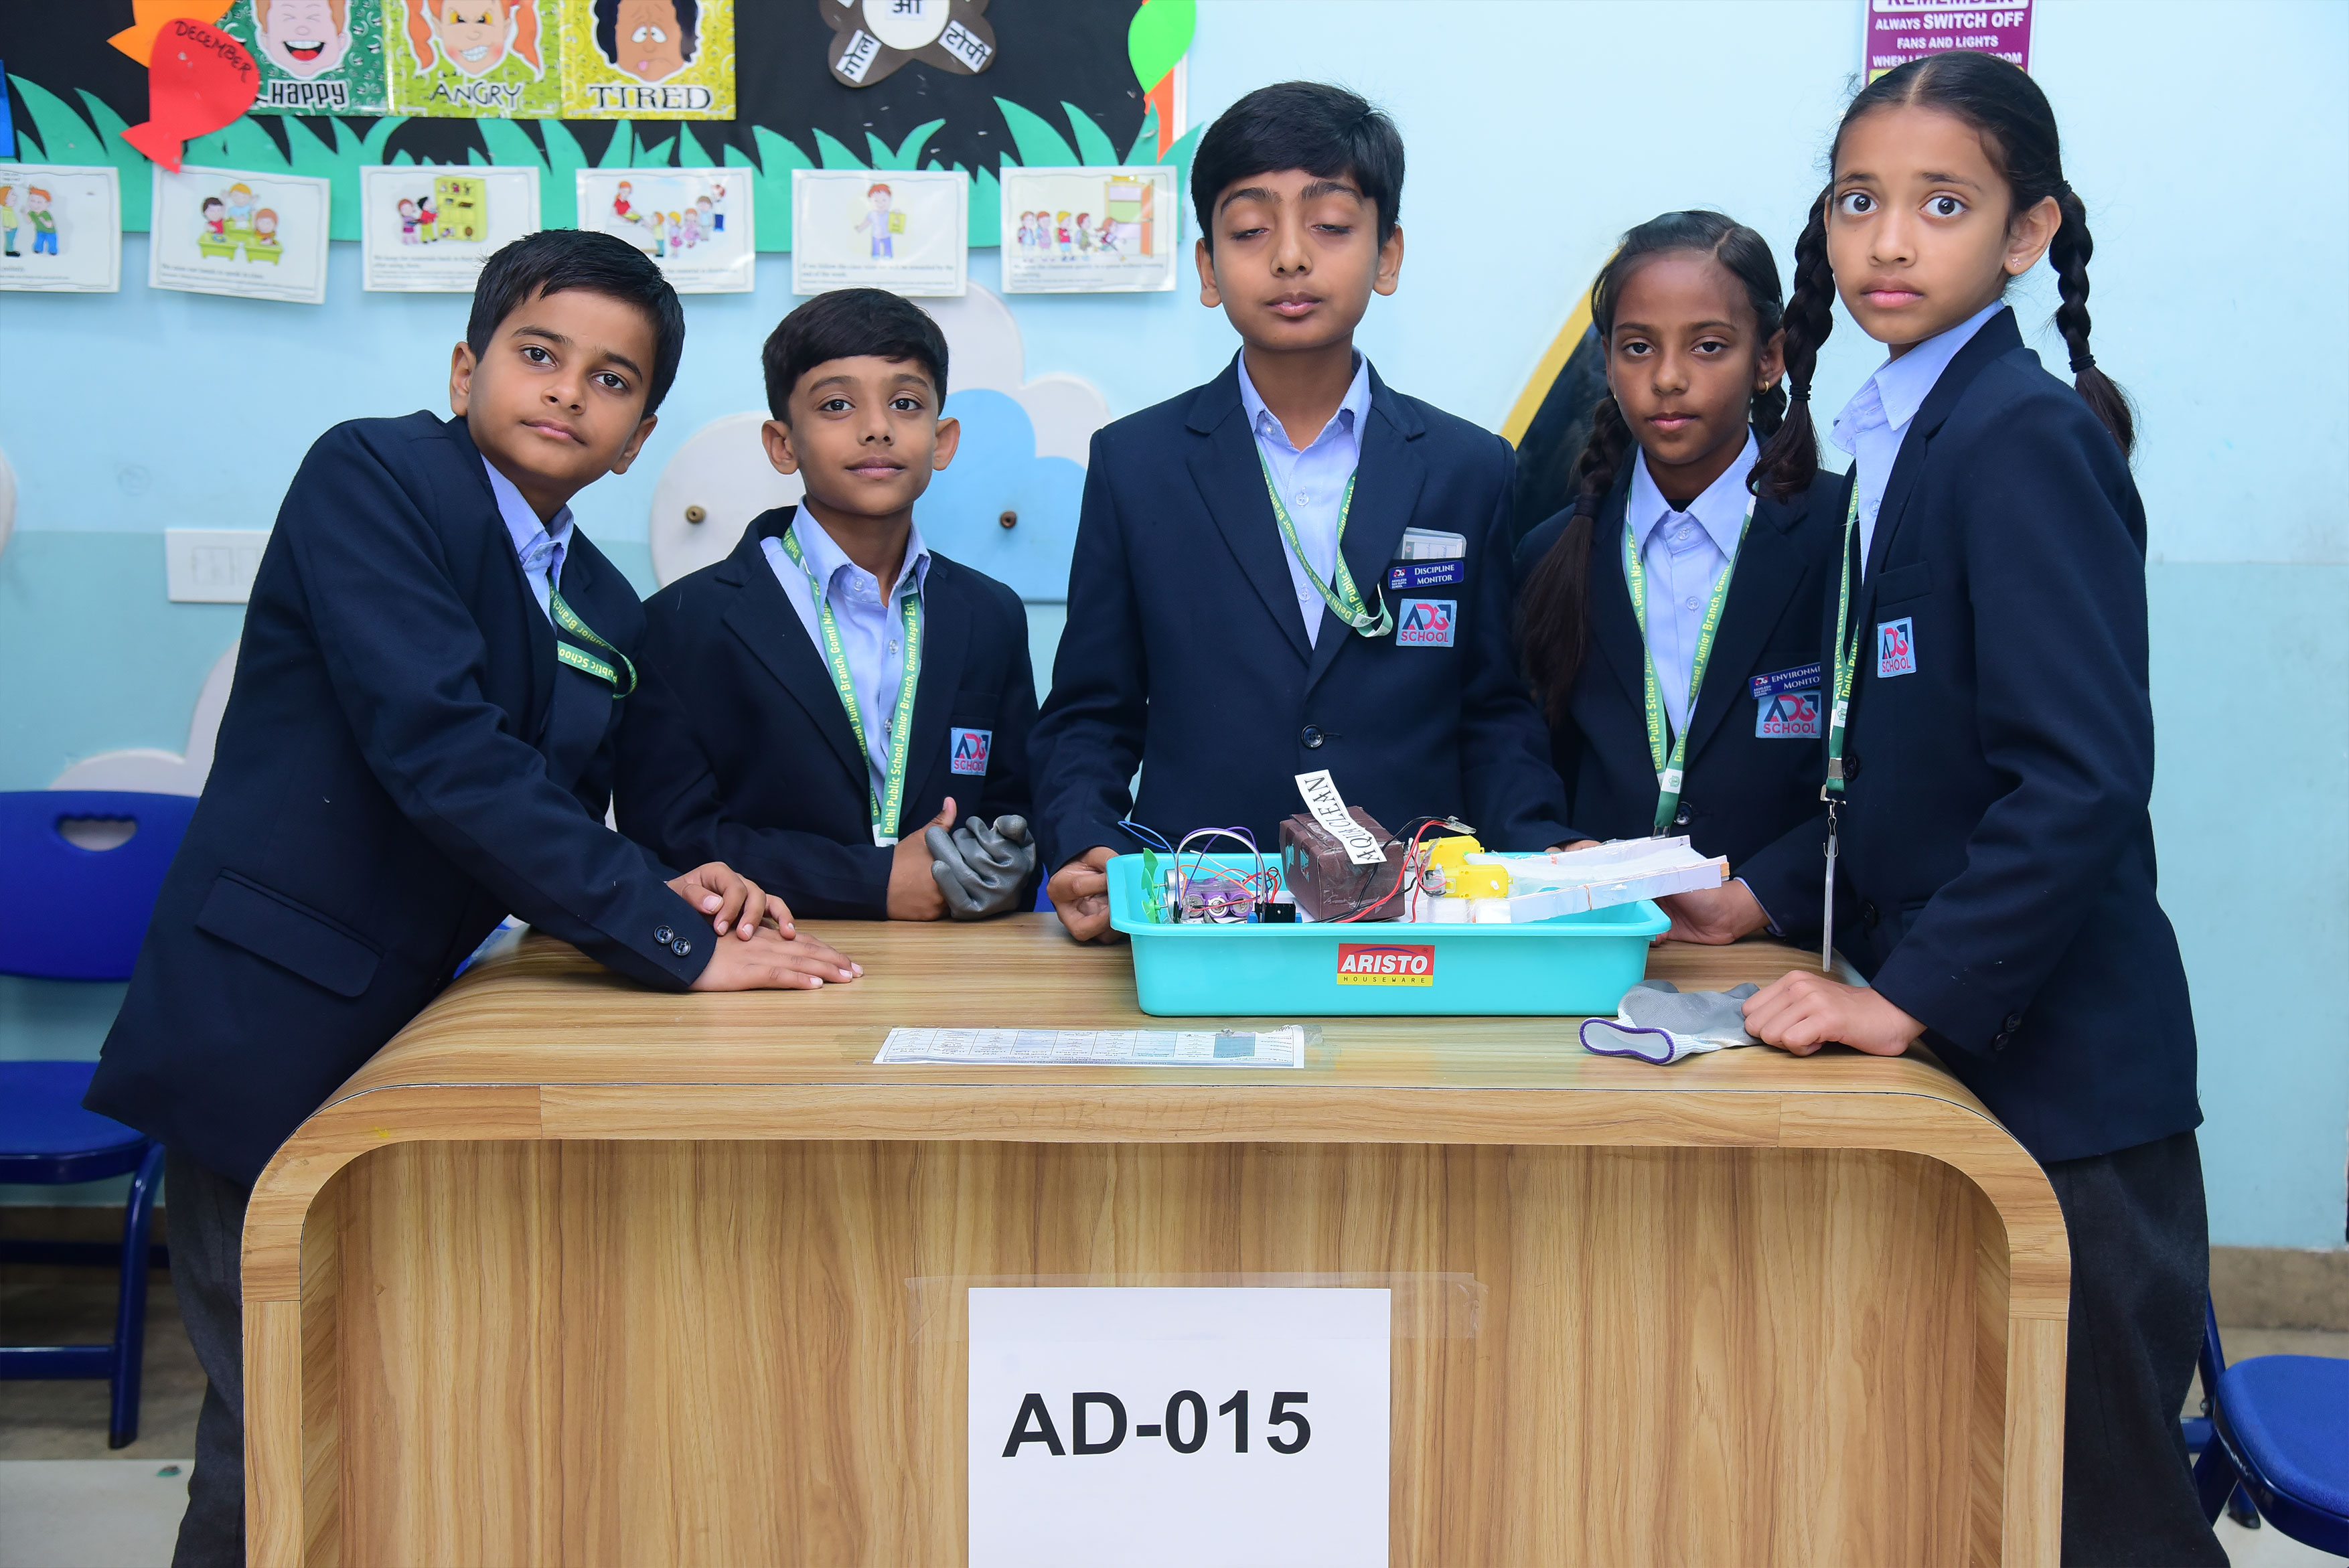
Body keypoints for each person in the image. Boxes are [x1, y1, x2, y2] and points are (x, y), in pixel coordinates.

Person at [83, 229, 860, 1568]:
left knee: (385, 1410)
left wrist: (673, 882)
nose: (567, 390)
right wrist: (672, 942)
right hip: (269, 1024)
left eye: (610, 379)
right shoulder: (376, 478)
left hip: (412, 1043)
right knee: (277, 1423)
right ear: (466, 368)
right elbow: (442, 755)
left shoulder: (604, 601)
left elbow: (551, 808)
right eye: (538, 353)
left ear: (638, 437)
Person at [1670, 52, 2222, 1566]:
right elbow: (1912, 768)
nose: (1890, 241)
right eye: (1859, 202)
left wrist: (1900, 996)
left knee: (2097, 1517)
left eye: (1942, 204)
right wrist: (1761, 890)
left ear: (2027, 233)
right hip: (1987, 1077)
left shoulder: (2019, 440)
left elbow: (2078, 778)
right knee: (1972, 1493)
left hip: (2069, 1095)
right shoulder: (1903, 436)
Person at [1030, 80, 1574, 941]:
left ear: (1387, 256)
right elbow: (1091, 711)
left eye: (1329, 225)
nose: (1289, 257)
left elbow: (1493, 711)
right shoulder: (1137, 463)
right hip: (1203, 909)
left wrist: (1544, 850)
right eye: (1250, 230)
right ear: (1207, 268)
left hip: (1412, 915)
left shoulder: (1469, 467)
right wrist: (1086, 839)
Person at [616, 289, 1039, 921]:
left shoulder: (990, 614)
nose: (877, 427)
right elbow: (668, 838)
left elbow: (1016, 806)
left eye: (905, 403)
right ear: (782, 444)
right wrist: (872, 881)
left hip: (955, 957)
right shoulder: (680, 625)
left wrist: (1010, 866)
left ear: (942, 440)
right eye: (836, 405)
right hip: (768, 951)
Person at [1514, 210, 1848, 924]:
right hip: (1602, 933)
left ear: (1769, 358)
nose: (1667, 378)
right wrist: (1562, 852)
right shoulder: (1552, 553)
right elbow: (1512, 750)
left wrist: (1761, 898)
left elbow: (1892, 766)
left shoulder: (1842, 533)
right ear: (1607, 361)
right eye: (1638, 348)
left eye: (1708, 346)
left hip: (1789, 950)